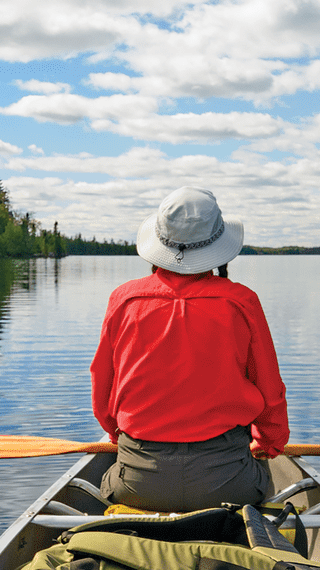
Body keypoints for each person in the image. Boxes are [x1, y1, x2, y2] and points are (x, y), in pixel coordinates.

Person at [91, 187, 289, 512]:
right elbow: (270, 393)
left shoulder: (123, 299)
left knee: (110, 483)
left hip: (137, 483)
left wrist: (116, 435)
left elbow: (102, 386)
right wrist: (270, 443)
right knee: (263, 476)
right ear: (219, 248)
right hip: (229, 484)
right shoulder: (242, 302)